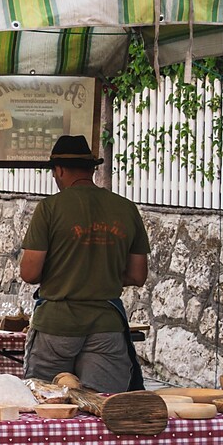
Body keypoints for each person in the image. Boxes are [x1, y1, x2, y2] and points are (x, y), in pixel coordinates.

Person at [18, 135, 149, 392]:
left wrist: (66, 271)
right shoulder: (126, 208)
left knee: (47, 405)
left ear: (59, 170)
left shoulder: (49, 208)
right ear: (92, 169)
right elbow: (137, 275)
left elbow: (30, 273)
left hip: (56, 325)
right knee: (101, 406)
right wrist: (100, 272)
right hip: (106, 326)